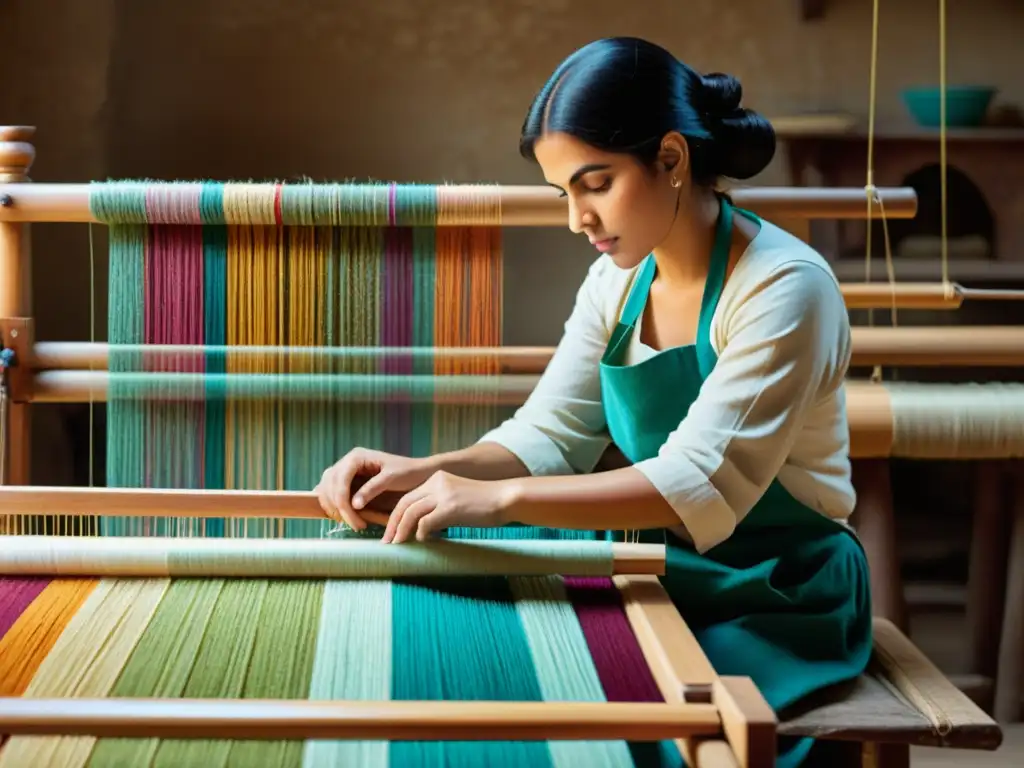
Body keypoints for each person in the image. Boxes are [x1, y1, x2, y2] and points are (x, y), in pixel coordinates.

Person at [315, 36, 872, 768]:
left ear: (671, 159)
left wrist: (504, 499)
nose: (577, 216)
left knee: (655, 738)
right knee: (456, 625)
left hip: (776, 592)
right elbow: (550, 434)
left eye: (595, 183)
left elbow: (693, 482)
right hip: (659, 562)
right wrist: (425, 471)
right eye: (563, 194)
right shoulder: (617, 281)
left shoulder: (783, 288)